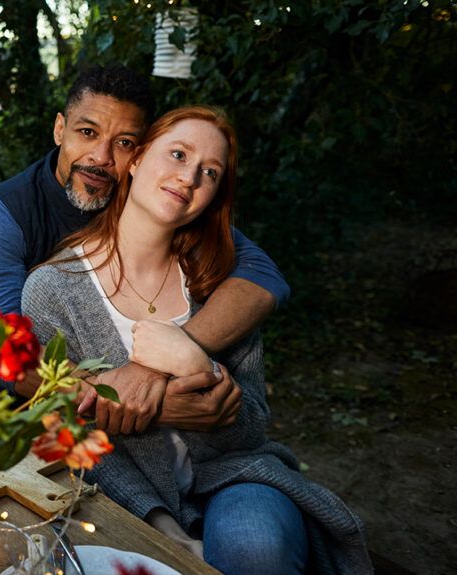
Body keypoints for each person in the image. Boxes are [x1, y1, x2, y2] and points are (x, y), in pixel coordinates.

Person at [23, 106, 372, 574]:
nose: (189, 178)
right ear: (139, 158)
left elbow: (251, 428)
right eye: (178, 154)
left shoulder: (220, 284)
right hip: (120, 491)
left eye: (209, 172)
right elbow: (73, 433)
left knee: (256, 549)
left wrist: (193, 363)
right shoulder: (53, 289)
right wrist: (163, 527)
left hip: (235, 477)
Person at [0, 65, 288, 437]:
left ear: (139, 154)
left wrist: (157, 363)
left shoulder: (156, 199)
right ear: (60, 129)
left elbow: (263, 278)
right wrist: (145, 404)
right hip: (34, 414)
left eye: (123, 142)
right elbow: (0, 351)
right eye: (87, 132)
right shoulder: (5, 211)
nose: (101, 157)